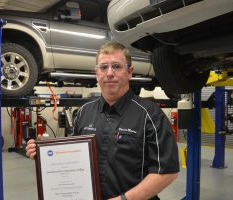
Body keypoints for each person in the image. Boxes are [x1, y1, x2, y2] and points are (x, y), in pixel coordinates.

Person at [26, 42, 179, 200]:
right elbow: (73, 159)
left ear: (129, 72)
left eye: (117, 66)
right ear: (97, 73)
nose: (110, 73)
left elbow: (167, 172)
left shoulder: (151, 115)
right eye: (103, 67)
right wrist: (44, 155)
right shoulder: (84, 113)